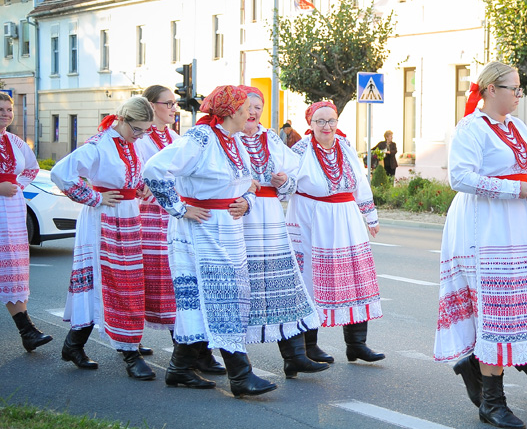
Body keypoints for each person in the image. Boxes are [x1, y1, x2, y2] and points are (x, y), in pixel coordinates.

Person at [434, 61, 527, 429]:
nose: (519, 95)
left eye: (520, 89)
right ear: (489, 90)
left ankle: (477, 368)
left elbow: (526, 164)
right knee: (493, 309)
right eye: (513, 88)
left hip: (516, 224)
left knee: (515, 305)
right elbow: (460, 177)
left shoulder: (516, 126)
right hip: (483, 226)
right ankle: (492, 402)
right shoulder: (471, 127)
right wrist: (515, 188)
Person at [143, 85, 275, 397]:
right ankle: (240, 375)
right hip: (199, 230)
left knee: (210, 301)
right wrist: (178, 208)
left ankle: (179, 368)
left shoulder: (236, 141)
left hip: (227, 230)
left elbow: (248, 182)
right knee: (219, 298)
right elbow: (153, 169)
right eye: (245, 108)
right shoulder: (200, 139)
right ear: (230, 112)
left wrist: (246, 201)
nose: (251, 114)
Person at [51, 96, 156, 380]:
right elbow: (60, 173)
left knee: (120, 279)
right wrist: (94, 197)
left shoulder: (128, 144)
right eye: (137, 129)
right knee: (111, 279)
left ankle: (74, 345)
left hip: (127, 215)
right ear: (122, 120)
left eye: (145, 131)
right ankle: (129, 353)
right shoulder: (99, 144)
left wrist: (140, 187)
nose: (140, 136)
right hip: (104, 218)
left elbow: (130, 178)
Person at [286, 101, 385, 366]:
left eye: (331, 121)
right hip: (313, 218)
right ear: (310, 124)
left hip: (347, 216)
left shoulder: (345, 146)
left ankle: (357, 344)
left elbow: (360, 181)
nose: (327, 126)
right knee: (311, 278)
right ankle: (310, 345)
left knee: (355, 276)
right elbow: (286, 182)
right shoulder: (300, 150)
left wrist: (370, 215)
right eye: (320, 121)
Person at [236, 86, 325, 378]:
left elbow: (294, 172)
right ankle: (223, 363)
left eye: (258, 108)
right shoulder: (228, 138)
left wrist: (284, 179)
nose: (253, 113)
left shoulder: (270, 138)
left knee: (284, 282)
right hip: (240, 216)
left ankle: (295, 355)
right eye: (248, 107)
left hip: (271, 215)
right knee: (240, 286)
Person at [137, 84, 225, 374]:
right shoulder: (140, 138)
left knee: (182, 285)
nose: (175, 109)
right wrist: (143, 186)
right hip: (150, 218)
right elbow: (137, 172)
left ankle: (194, 351)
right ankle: (135, 343)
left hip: (175, 216)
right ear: (150, 106)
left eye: (176, 104)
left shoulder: (175, 137)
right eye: (169, 104)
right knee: (160, 283)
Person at [0, 93, 51, 352]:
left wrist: (16, 186)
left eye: (9, 109)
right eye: (1, 109)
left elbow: (31, 168)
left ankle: (27, 331)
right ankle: (27, 330)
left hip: (12, 210)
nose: (6, 113)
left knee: (13, 268)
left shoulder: (15, 141)